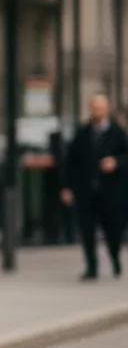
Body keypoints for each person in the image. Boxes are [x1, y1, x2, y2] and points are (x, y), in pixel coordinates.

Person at [60, 93, 127, 279]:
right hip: (86, 192)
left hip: (111, 193)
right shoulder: (82, 133)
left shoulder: (117, 133)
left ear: (107, 109)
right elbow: (70, 162)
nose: (97, 112)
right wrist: (66, 187)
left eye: (101, 108)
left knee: (112, 231)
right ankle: (92, 267)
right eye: (94, 108)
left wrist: (116, 162)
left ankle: (115, 257)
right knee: (87, 230)